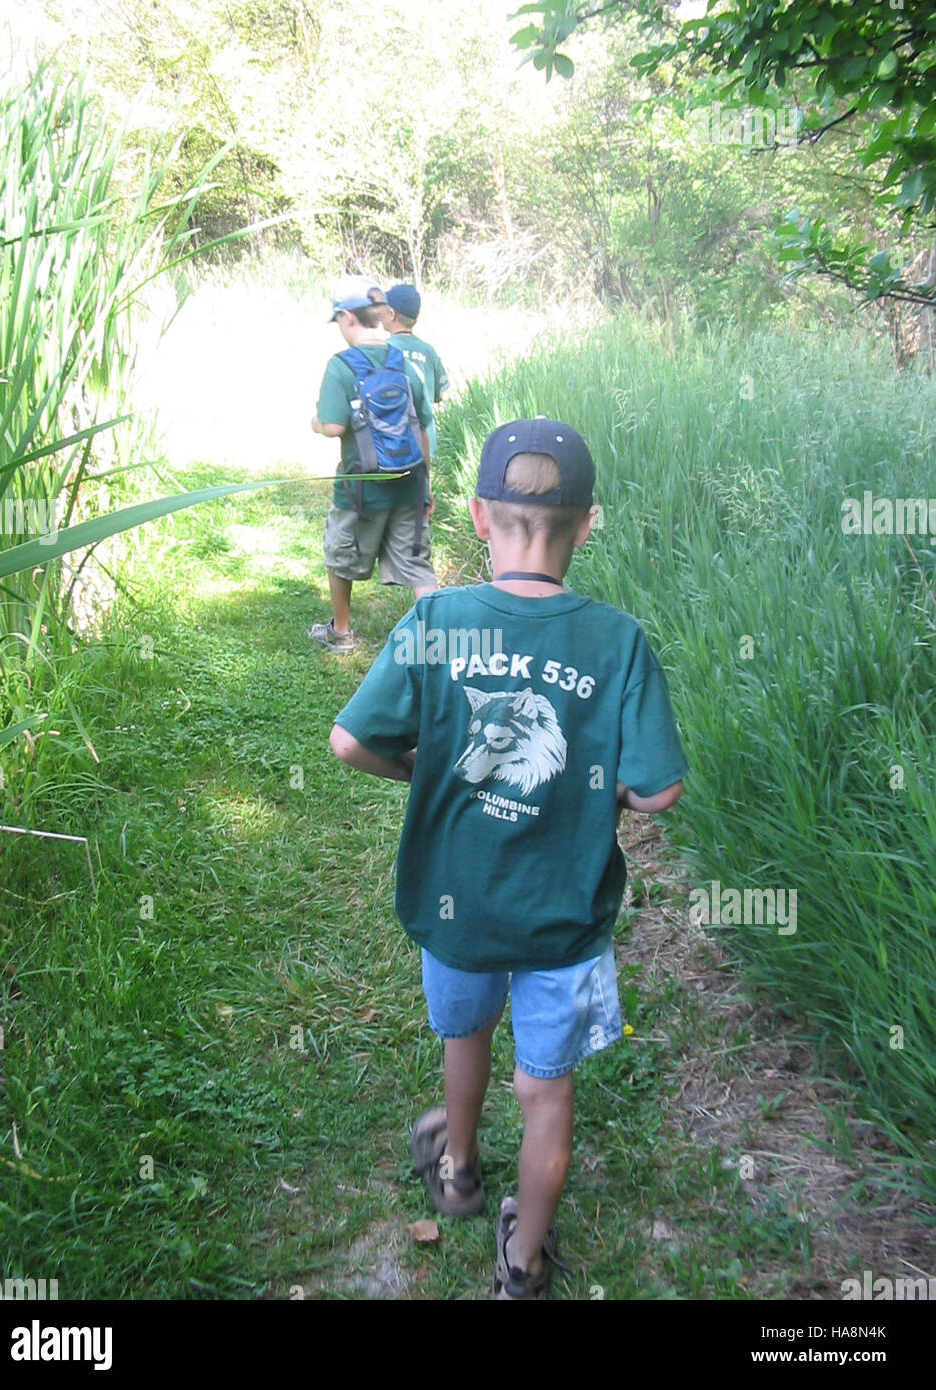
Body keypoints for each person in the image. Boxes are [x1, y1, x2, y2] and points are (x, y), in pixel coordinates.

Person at [328, 417, 688, 1299]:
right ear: (588, 523)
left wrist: (417, 772)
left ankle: (455, 1171)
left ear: (480, 519)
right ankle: (522, 1263)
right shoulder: (616, 641)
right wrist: (602, 791)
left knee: (463, 1030)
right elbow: (657, 791)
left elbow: (348, 743)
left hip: (456, 902)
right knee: (545, 1090)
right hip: (563, 918)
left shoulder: (437, 618)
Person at [308, 277, 437, 653]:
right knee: (417, 563)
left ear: (348, 316)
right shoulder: (402, 360)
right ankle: (436, 641)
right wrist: (425, 485)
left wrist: (314, 423)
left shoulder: (341, 365)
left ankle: (341, 633)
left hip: (360, 489)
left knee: (340, 554)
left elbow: (332, 426)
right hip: (409, 482)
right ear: (378, 316)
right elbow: (422, 427)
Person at [377, 284, 450, 465]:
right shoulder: (427, 351)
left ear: (392, 314)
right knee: (422, 487)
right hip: (425, 439)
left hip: (394, 440)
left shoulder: (383, 350)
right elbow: (440, 395)